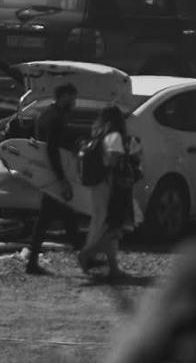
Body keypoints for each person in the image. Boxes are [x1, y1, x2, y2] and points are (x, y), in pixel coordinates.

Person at [24, 81, 84, 273]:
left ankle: (84, 257)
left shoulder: (44, 115)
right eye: (72, 98)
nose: (74, 102)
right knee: (48, 218)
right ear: (63, 96)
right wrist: (61, 178)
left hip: (46, 172)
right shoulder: (55, 119)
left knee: (66, 216)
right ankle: (32, 262)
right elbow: (52, 150)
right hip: (53, 174)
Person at [79, 104, 138, 281]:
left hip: (100, 184)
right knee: (109, 223)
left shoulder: (99, 135)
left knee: (106, 222)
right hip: (109, 184)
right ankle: (88, 254)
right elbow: (113, 160)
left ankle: (112, 267)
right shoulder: (114, 136)